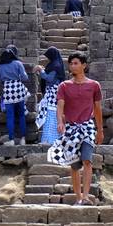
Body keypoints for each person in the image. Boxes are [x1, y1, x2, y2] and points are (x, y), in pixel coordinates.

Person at [48, 52, 103, 205]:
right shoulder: (64, 86)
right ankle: (78, 197)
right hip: (71, 129)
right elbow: (60, 106)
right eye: (71, 63)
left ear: (84, 65)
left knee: (87, 160)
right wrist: (60, 122)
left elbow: (98, 109)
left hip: (88, 128)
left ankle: (85, 197)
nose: (73, 66)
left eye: (76, 63)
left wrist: (100, 130)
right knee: (74, 165)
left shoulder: (94, 85)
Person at [0, 44, 29, 146]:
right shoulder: (18, 63)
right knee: (21, 115)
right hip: (18, 89)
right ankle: (23, 139)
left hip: (7, 90)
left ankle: (11, 140)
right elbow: (25, 78)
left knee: (10, 116)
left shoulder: (0, 66)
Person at [34, 46, 66, 144]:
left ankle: (49, 140)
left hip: (53, 95)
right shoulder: (55, 64)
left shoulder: (55, 66)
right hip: (52, 93)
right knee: (50, 116)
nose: (48, 59)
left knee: (50, 115)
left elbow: (49, 79)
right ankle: (51, 139)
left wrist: (41, 70)